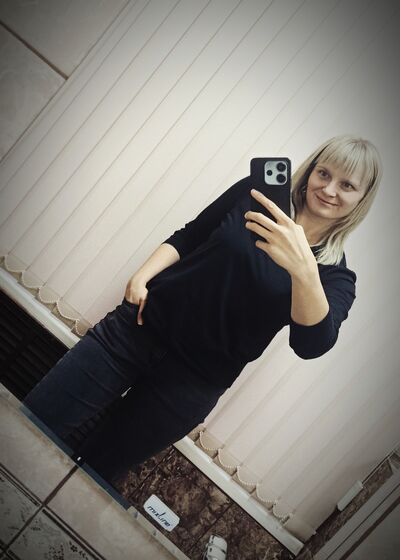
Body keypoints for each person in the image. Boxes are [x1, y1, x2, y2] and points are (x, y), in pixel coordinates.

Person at [22, 134, 382, 491]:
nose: (329, 189)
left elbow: (311, 343)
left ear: (361, 199)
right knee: (34, 420)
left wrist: (304, 269)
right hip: (134, 333)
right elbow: (191, 235)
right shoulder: (256, 195)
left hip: (187, 387)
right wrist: (140, 277)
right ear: (311, 171)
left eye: (347, 185)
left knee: (90, 478)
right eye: (324, 173)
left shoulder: (335, 277)